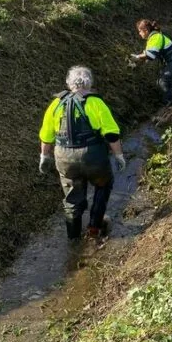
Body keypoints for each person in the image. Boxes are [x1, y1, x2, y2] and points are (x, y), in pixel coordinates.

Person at [38, 66, 126, 240]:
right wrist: (119, 156)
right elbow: (111, 135)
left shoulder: (56, 104)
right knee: (103, 185)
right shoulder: (95, 102)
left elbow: (46, 136)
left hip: (64, 158)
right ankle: (94, 229)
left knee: (72, 197)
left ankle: (73, 238)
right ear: (89, 82)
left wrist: (44, 156)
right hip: (93, 157)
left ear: (69, 83)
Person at [131, 19, 172, 106]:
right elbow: (148, 55)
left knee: (163, 81)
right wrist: (137, 62)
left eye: (140, 31)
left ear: (145, 30)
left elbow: (150, 55)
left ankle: (171, 105)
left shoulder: (154, 37)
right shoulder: (157, 36)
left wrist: (137, 57)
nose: (139, 34)